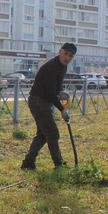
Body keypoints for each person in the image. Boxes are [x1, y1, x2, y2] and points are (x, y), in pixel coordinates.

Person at [21, 42, 77, 170]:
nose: (67, 57)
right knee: (52, 133)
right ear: (60, 52)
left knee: (43, 134)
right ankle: (59, 163)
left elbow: (56, 88)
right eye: (66, 54)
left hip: (45, 102)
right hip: (38, 101)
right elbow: (50, 93)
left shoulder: (63, 67)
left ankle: (28, 162)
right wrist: (62, 109)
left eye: (71, 56)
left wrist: (61, 92)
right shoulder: (52, 66)